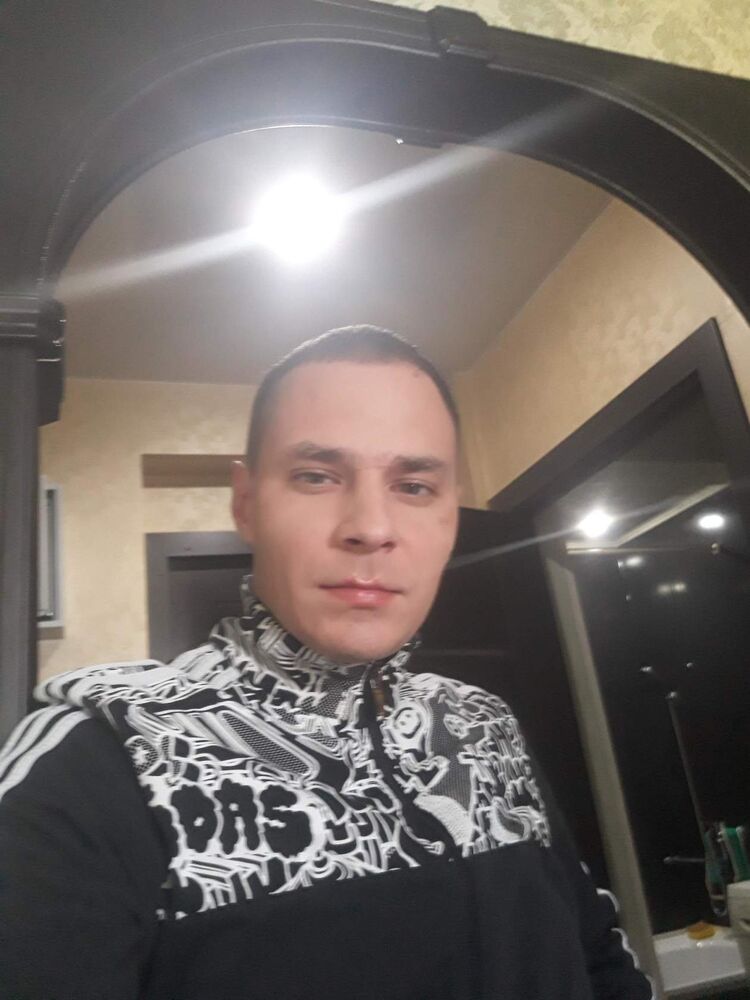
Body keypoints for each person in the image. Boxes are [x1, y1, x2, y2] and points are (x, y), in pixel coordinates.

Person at [0, 326, 653, 999]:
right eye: (316, 476)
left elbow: (599, 957)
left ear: (452, 516)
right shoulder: (100, 755)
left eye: (414, 486)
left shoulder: (484, 724)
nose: (370, 527)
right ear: (246, 503)